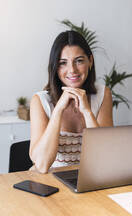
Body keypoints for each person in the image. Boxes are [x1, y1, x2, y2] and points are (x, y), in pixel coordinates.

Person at [29, 30, 113, 173]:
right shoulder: (40, 101)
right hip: (50, 184)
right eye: (63, 63)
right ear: (55, 67)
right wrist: (58, 111)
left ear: (90, 61)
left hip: (89, 181)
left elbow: (105, 157)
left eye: (79, 61)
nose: (72, 70)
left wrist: (87, 112)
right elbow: (42, 165)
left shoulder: (102, 94)